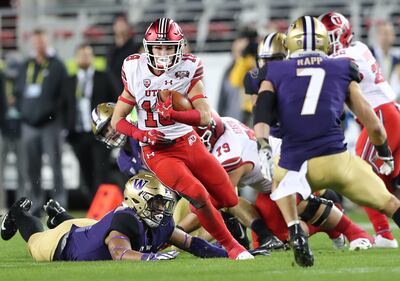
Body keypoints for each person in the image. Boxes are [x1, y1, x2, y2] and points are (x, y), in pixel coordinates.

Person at [253, 15, 400, 267]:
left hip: (295, 162)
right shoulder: (342, 66)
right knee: (390, 203)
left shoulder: (275, 70)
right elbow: (372, 121)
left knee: (280, 183)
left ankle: (294, 229)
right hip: (337, 160)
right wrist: (384, 152)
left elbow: (262, 109)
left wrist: (263, 143)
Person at [110, 17, 252, 260]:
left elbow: (205, 116)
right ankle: (232, 246)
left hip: (187, 141)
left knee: (228, 197)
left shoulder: (189, 66)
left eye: (169, 47)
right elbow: (117, 121)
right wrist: (140, 133)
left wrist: (174, 113)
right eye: (159, 47)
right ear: (148, 47)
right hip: (158, 150)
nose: (164, 53)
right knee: (197, 193)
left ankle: (197, 225)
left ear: (179, 47)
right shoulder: (134, 68)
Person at [0, 172, 233, 261]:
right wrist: (148, 259)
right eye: (156, 202)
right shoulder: (127, 220)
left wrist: (233, 253)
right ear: (137, 201)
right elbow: (119, 253)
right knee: (36, 239)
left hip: (88, 228)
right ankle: (19, 213)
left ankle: (60, 215)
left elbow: (192, 244)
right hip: (62, 243)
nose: (161, 209)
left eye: (163, 202)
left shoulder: (157, 222)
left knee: (95, 227)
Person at [319, 12, 400, 248]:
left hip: (381, 116)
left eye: (332, 37)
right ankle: (384, 234)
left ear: (344, 35)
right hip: (388, 113)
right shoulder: (359, 47)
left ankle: (384, 235)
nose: (329, 42)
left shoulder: (346, 55)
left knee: (359, 177)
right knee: (387, 185)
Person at [14, 29, 67, 216]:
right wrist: (24, 113)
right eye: (36, 42)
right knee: (31, 168)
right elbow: (18, 92)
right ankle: (35, 205)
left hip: (50, 124)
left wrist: (53, 116)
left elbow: (63, 95)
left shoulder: (57, 65)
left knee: (55, 165)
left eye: (42, 42)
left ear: (48, 42)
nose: (39, 45)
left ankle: (60, 206)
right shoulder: (25, 65)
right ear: (32, 43)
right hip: (29, 125)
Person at [63, 44, 119, 200]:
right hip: (78, 134)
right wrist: (66, 129)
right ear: (75, 58)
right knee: (86, 172)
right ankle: (93, 205)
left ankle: (103, 207)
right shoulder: (70, 81)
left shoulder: (104, 76)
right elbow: (63, 106)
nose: (85, 58)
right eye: (81, 55)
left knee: (101, 171)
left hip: (100, 132)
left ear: (93, 57)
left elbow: (117, 99)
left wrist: (112, 124)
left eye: (88, 54)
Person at [107, 14, 141, 94]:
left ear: (128, 27)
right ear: (113, 27)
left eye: (122, 23)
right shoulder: (110, 50)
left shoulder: (137, 48)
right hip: (113, 93)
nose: (120, 26)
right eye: (118, 24)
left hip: (131, 93)